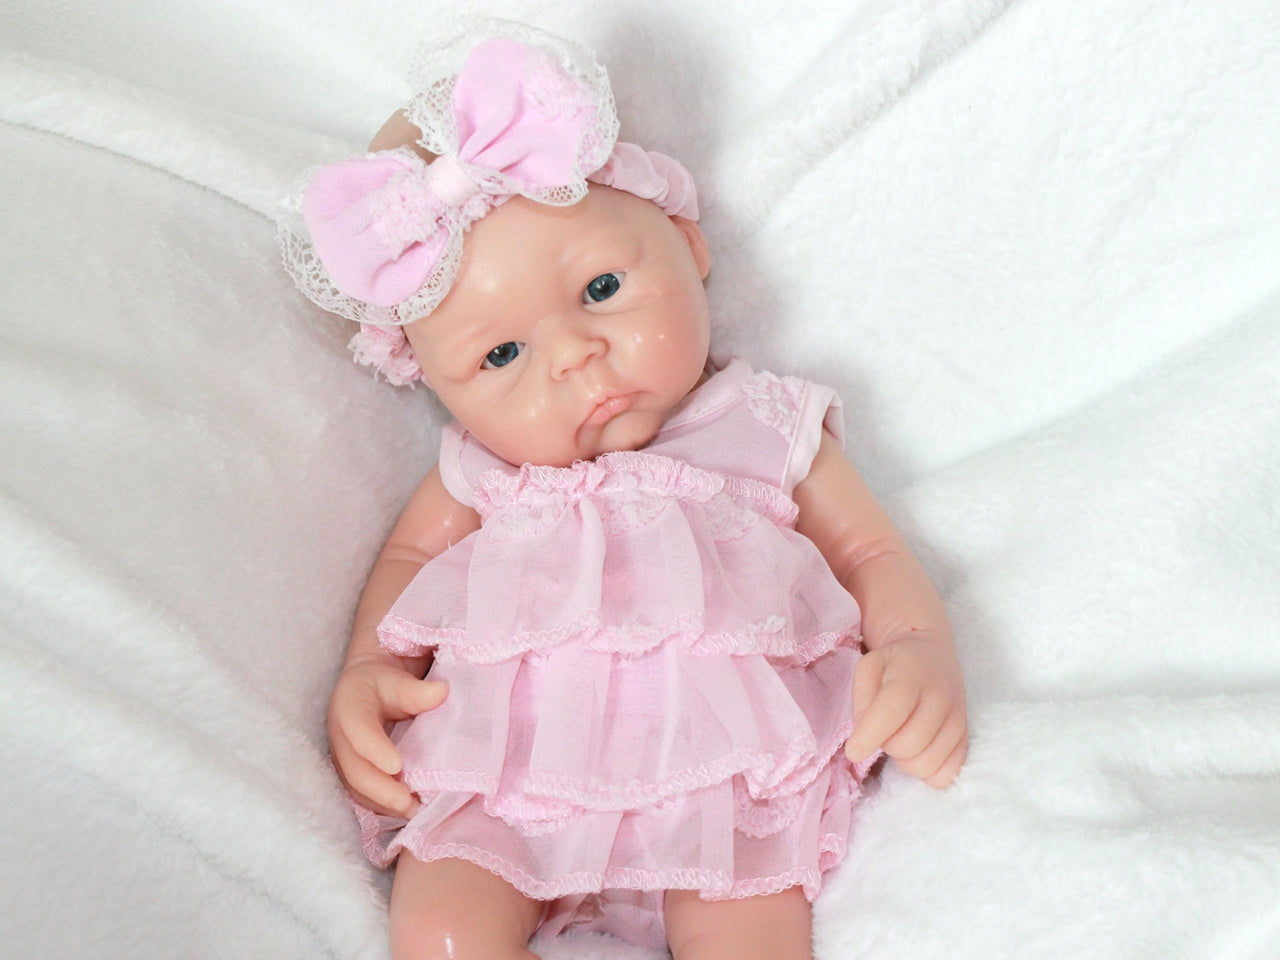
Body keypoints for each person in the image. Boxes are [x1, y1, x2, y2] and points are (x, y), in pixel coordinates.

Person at [279, 21, 968, 960]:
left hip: (722, 771)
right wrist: (369, 671)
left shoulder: (761, 423)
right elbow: (408, 559)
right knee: (441, 927)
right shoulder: (486, 469)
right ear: (430, 381)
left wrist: (919, 647)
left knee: (747, 929)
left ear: (686, 242)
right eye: (501, 354)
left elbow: (872, 551)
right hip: (511, 771)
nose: (574, 355)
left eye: (601, 288)